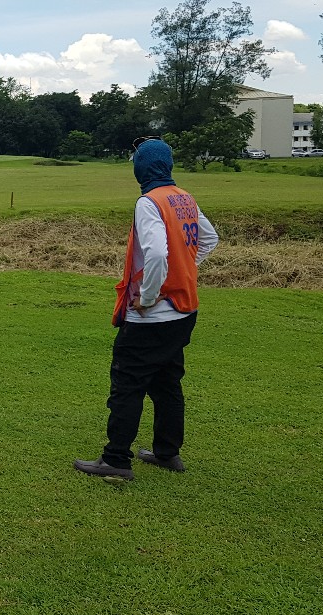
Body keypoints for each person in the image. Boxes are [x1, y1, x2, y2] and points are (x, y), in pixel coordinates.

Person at [74, 137, 219, 481]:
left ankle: (116, 459)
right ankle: (167, 453)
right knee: (167, 384)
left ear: (142, 167)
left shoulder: (148, 202)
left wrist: (151, 295)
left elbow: (156, 253)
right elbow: (209, 239)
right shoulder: (183, 197)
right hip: (183, 313)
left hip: (152, 317)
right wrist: (183, 270)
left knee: (128, 384)